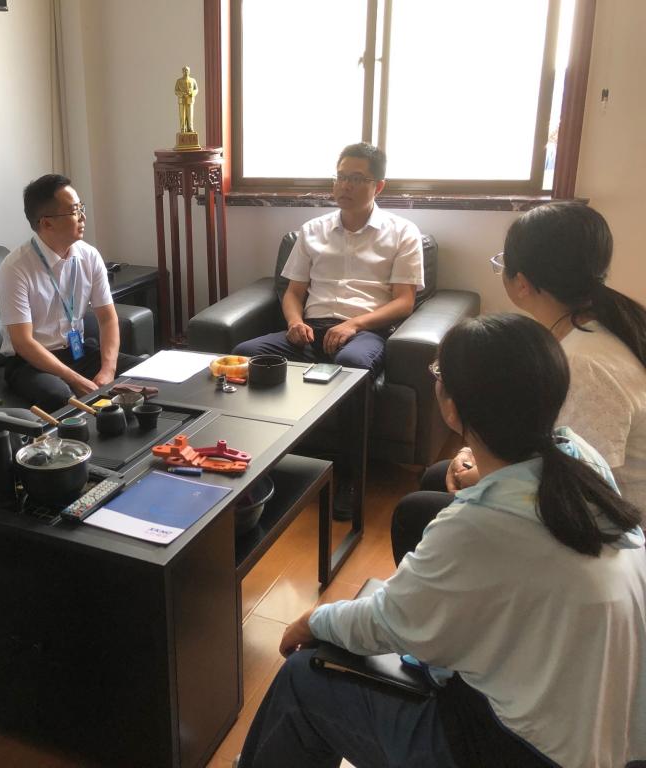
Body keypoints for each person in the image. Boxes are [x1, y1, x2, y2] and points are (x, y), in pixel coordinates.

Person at [239, 314, 646, 768]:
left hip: (524, 752)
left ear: (453, 406)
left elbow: (388, 621)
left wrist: (314, 620)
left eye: (438, 374)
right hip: (610, 730)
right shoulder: (579, 459)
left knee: (303, 679)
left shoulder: (478, 527)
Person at [391, 201, 646, 563]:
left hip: (606, 537)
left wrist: (486, 475)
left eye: (502, 262)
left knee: (415, 512)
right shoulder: (596, 327)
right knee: (438, 476)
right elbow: (547, 437)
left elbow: (583, 484)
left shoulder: (586, 364)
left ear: (522, 282)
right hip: (578, 499)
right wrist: (476, 454)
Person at [232, 142, 424, 375]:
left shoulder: (403, 232)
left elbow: (404, 302)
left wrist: (353, 324)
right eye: (340, 177)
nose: (345, 186)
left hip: (364, 333)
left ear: (379, 186)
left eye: (356, 179)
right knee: (246, 353)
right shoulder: (312, 230)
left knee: (351, 361)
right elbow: (293, 292)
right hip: (312, 332)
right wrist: (295, 323)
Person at [0, 174, 140, 411]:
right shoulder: (15, 267)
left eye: (81, 208)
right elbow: (23, 342)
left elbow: (107, 318)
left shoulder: (89, 255)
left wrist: (108, 370)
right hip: (31, 363)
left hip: (77, 352)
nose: (83, 217)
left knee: (145, 374)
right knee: (61, 396)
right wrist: (75, 379)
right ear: (47, 223)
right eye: (74, 211)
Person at [174, 65, 198, 134]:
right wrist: (182, 94)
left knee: (190, 114)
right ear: (182, 72)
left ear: (189, 71)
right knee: (182, 115)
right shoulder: (179, 81)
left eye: (187, 70)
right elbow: (176, 90)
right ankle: (183, 128)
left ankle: (190, 127)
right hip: (182, 100)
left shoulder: (193, 80)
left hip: (190, 100)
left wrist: (191, 93)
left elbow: (196, 89)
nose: (186, 71)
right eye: (184, 70)